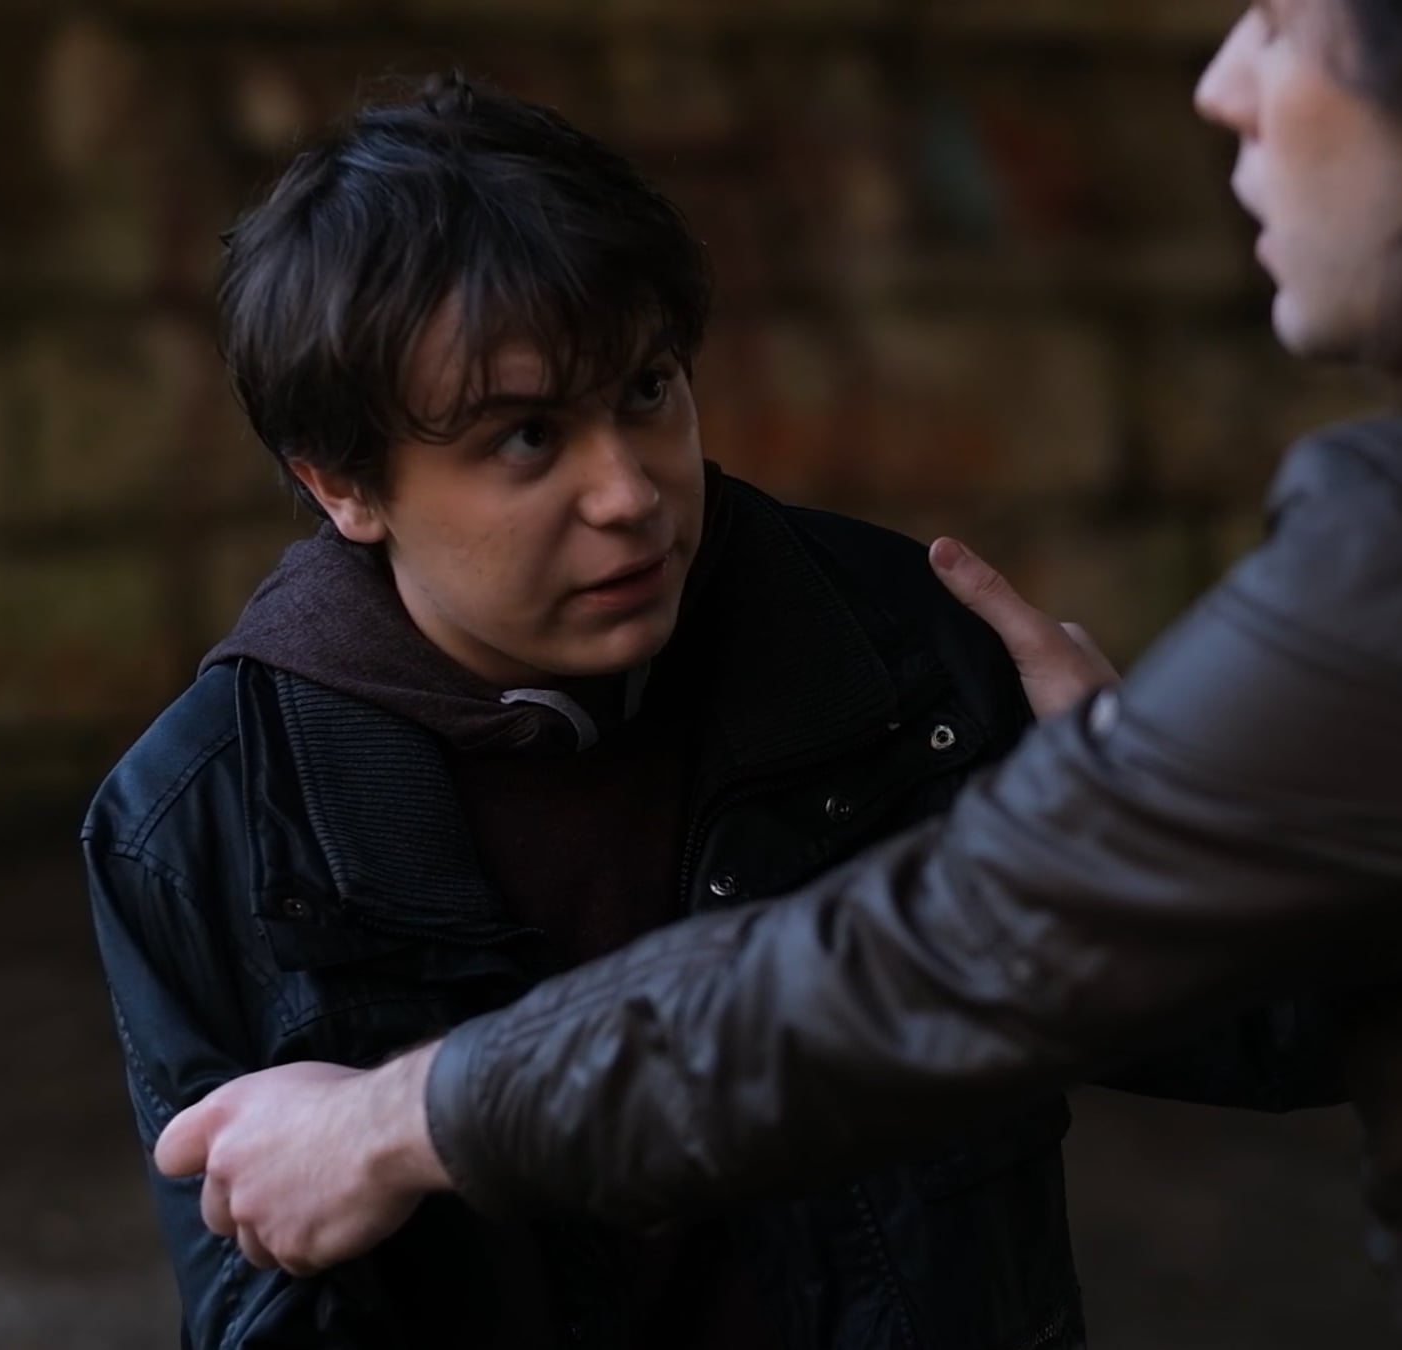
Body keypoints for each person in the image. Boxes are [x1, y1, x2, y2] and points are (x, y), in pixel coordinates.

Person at [157, 2, 1402, 1347]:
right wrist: (1179, 813)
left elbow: (905, 975)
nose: (1221, 82)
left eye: (1288, 16)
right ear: (342, 481)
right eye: (522, 437)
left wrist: (406, 1116)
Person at [84, 74, 1309, 1350]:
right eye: (526, 438)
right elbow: (264, 1304)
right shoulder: (206, 818)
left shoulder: (895, 653)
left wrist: (1161, 847)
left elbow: (1286, 1041)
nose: (629, 492)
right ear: (343, 484)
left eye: (647, 390)